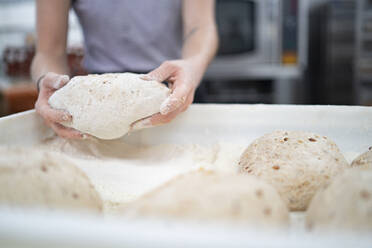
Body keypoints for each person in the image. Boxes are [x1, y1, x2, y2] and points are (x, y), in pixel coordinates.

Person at [31, 0, 218, 139]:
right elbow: (48, 52)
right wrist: (46, 83)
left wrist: (193, 64)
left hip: (176, 88)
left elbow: (200, 27)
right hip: (95, 100)